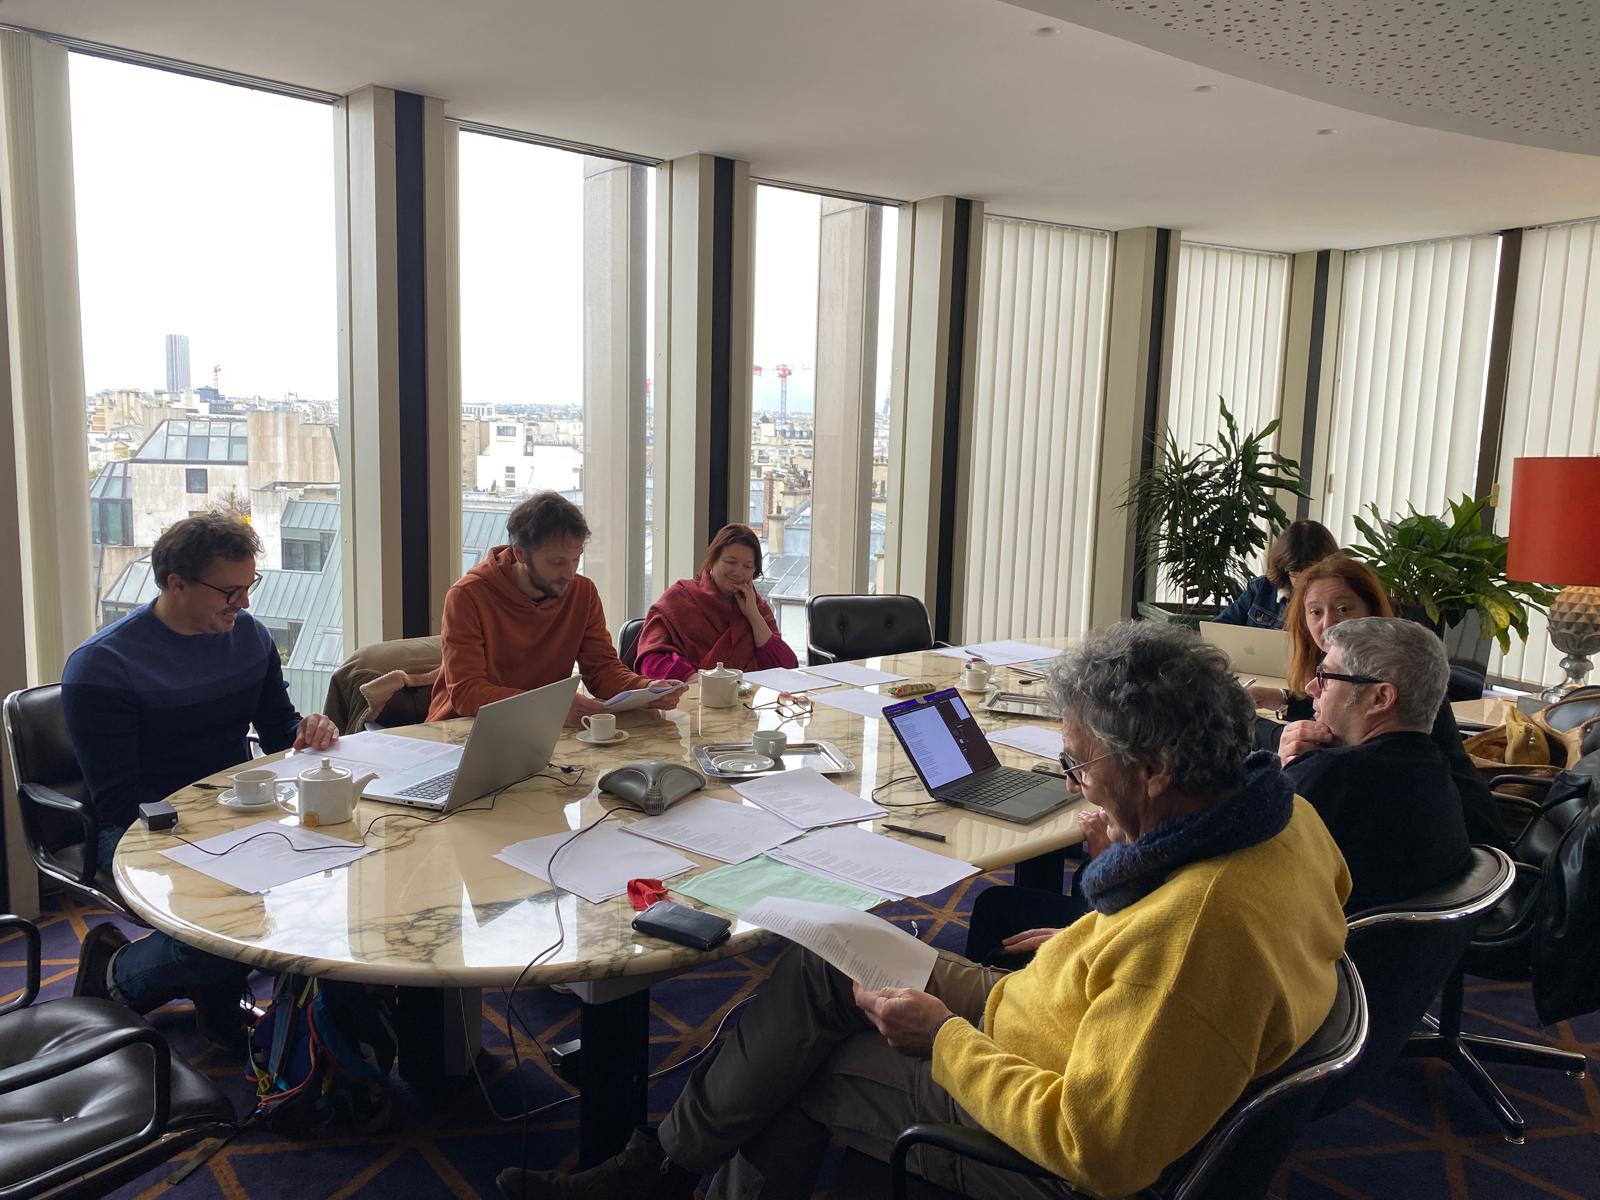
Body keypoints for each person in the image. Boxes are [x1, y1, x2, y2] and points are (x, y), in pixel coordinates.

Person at [497, 621, 1351, 1200]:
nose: (1077, 786)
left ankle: (669, 1174)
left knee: (802, 1072)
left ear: (1157, 769)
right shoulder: (1288, 820)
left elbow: (1102, 1152)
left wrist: (944, 1039)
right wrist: (1099, 937)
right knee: (826, 956)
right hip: (1052, 1015)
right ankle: (659, 1169)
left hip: (1046, 1125)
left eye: (1080, 766)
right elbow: (1215, 934)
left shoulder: (1192, 939)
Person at [62, 514, 339, 1044]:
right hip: (143, 828)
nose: (245, 603)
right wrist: (220, 841)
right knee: (220, 935)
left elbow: (279, 732)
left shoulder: (249, 636)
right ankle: (113, 976)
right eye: (230, 592)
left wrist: (311, 730)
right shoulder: (103, 666)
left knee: (323, 888)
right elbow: (120, 802)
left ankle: (218, 996)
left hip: (236, 812)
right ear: (177, 584)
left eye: (249, 586)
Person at [1257, 554, 1509, 850]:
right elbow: (1348, 701)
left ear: (1372, 611)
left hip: (1466, 835)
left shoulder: (1407, 677)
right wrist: (1282, 701)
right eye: (1315, 611)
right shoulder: (1367, 689)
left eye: (1343, 608)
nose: (1328, 623)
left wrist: (1290, 766)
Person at [427, 491, 682, 726]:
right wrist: (549, 707)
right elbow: (467, 693)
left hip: (544, 728)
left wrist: (647, 689)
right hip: (460, 729)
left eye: (576, 559)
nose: (569, 573)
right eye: (557, 563)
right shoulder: (468, 596)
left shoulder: (583, 593)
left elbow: (602, 670)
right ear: (520, 554)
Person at [1280, 618, 1473, 911]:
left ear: (1380, 698)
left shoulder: (1332, 778)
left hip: (1333, 938)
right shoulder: (1438, 772)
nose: (1311, 688)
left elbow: (1236, 863)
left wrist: (1288, 773)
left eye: (1326, 677)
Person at [634, 524, 799, 682]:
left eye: (748, 566)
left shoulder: (758, 607)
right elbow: (651, 659)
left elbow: (786, 669)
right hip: (689, 695)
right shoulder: (679, 598)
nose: (739, 572)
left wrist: (754, 616)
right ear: (712, 560)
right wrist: (697, 681)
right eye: (731, 562)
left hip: (748, 698)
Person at [1212, 519, 1339, 628]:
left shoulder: (1341, 597)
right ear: (1283, 568)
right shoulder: (1262, 588)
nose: (1302, 580)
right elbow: (1219, 628)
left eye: (1310, 572)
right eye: (1294, 572)